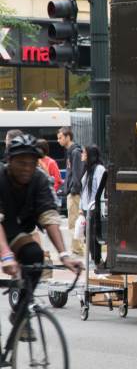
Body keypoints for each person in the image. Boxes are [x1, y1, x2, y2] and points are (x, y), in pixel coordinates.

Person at [0, 135, 83, 303]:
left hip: (16, 230)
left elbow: (49, 217)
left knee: (35, 255)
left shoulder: (39, 179)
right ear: (10, 160)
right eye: (22, 163)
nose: (27, 168)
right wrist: (6, 255)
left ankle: (22, 309)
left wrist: (64, 255)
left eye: (32, 163)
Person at [56, 126, 84, 256]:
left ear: (68, 137)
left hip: (74, 194)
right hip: (72, 192)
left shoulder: (75, 152)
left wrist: (73, 190)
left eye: (60, 137)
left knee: (74, 222)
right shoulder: (72, 151)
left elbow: (77, 174)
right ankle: (76, 248)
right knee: (73, 222)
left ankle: (78, 249)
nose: (58, 140)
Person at [79, 145, 106, 266]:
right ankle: (94, 257)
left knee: (94, 234)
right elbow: (83, 190)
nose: (82, 155)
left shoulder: (99, 169)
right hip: (87, 207)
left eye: (84, 153)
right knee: (88, 234)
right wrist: (81, 206)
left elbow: (102, 189)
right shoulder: (87, 169)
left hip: (94, 207)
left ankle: (96, 259)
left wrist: (101, 207)